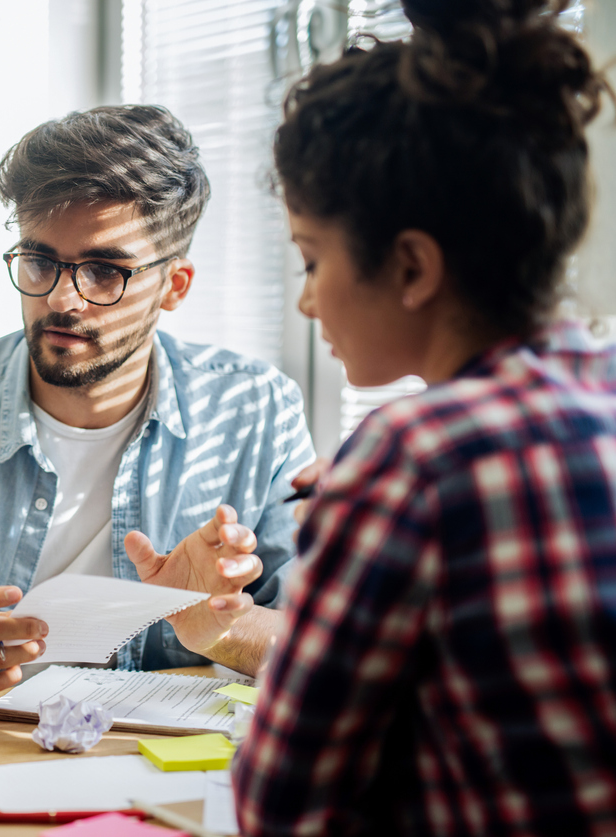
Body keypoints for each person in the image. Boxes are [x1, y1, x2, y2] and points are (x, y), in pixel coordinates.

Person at [231, 1, 616, 833]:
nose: (304, 297)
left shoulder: (415, 459)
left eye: (311, 257)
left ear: (411, 265)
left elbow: (282, 805)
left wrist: (380, 497)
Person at [0, 104, 315, 702]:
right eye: (41, 261)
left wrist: (220, 628)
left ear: (173, 287)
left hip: (145, 778)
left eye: (105, 271)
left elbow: (328, 648)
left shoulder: (256, 411)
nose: (62, 298)